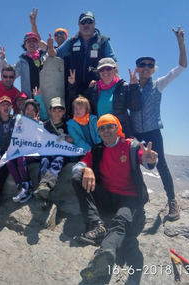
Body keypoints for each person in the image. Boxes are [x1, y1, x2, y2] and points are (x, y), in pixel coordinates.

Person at [71, 114, 158, 282]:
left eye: (110, 126)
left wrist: (150, 160)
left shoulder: (130, 146)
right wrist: (85, 169)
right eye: (102, 128)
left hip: (129, 198)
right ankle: (97, 225)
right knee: (77, 178)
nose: (106, 131)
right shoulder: (97, 150)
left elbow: (145, 158)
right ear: (99, 133)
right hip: (106, 196)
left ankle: (105, 254)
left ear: (118, 128)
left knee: (120, 222)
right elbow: (77, 167)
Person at [130, 27, 187, 221]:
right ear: (137, 68)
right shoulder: (130, 86)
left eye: (150, 65)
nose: (146, 67)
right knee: (133, 165)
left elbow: (181, 67)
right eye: (142, 64)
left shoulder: (159, 84)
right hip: (136, 133)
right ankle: (135, 199)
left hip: (153, 132)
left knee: (161, 165)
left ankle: (172, 201)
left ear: (153, 69)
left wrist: (180, 42)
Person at [48, 11, 117, 96]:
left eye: (89, 21)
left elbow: (113, 62)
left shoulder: (103, 41)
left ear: (94, 24)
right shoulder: (71, 41)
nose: (86, 25)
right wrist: (50, 47)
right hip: (75, 89)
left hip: (97, 89)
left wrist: (117, 84)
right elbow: (55, 54)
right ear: (79, 25)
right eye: (83, 22)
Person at [69, 58, 141, 137]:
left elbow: (135, 107)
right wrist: (72, 85)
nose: (105, 72)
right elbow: (79, 102)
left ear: (114, 70)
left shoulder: (123, 86)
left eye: (108, 68)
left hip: (120, 133)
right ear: (99, 72)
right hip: (100, 133)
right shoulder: (94, 88)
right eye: (102, 69)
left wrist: (134, 87)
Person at [34, 97, 73, 205]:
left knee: (58, 161)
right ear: (50, 111)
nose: (57, 113)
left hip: (61, 153)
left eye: (60, 110)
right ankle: (43, 190)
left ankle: (45, 186)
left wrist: (69, 139)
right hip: (48, 152)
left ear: (64, 111)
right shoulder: (45, 124)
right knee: (44, 161)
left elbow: (74, 138)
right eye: (54, 110)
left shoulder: (68, 125)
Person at [7, 99, 41, 203]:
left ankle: (28, 186)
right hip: (23, 152)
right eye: (28, 109)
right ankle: (20, 187)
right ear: (24, 111)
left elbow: (41, 139)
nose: (30, 112)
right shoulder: (20, 124)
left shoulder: (40, 123)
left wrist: (35, 125)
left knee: (21, 159)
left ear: (36, 112)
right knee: (9, 161)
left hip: (35, 153)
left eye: (32, 110)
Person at [0, 31, 46, 98]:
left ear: (38, 44)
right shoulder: (21, 62)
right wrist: (3, 59)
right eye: (29, 42)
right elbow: (9, 73)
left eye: (34, 41)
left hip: (46, 96)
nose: (31, 43)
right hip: (30, 99)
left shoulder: (45, 56)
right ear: (25, 45)